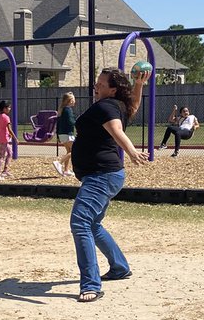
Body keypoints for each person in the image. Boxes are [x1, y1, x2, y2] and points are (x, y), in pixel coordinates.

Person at [69, 67, 149, 303]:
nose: (97, 86)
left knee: (80, 222)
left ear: (112, 90)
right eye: (97, 83)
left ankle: (91, 284)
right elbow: (133, 105)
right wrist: (139, 84)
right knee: (92, 224)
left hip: (100, 175)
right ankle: (119, 267)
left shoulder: (107, 107)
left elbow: (116, 130)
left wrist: (132, 151)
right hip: (105, 174)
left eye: (101, 84)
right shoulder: (118, 105)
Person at [52, 92, 77, 177]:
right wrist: (77, 123)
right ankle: (59, 162)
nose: (75, 101)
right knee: (74, 151)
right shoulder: (68, 109)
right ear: (70, 101)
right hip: (68, 134)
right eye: (73, 99)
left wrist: (58, 135)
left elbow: (58, 123)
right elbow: (70, 121)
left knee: (69, 151)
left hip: (62, 134)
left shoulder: (61, 110)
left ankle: (66, 170)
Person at [0, 100, 16, 181]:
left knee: (10, 153)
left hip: (1, 137)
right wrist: (15, 138)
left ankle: (5, 171)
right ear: (4, 108)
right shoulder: (6, 117)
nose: (10, 109)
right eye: (9, 107)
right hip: (4, 138)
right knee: (2, 156)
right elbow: (10, 129)